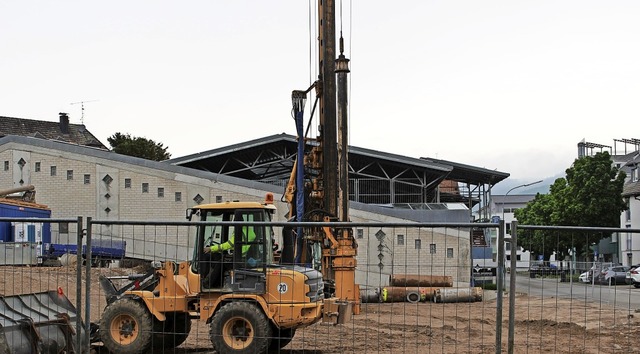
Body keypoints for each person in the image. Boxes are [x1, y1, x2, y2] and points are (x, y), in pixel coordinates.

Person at [202, 224, 256, 288]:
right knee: (217, 256)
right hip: (243, 257)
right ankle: (218, 282)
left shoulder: (239, 231)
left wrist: (211, 248)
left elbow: (229, 245)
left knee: (221, 263)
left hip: (240, 260)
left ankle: (208, 283)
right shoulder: (249, 231)